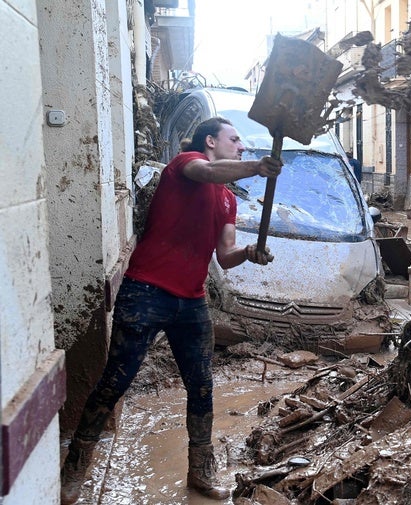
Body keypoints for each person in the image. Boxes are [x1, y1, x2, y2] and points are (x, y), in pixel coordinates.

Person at [59, 117, 283, 504]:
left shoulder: (228, 199)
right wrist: (256, 168)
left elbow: (225, 256)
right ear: (210, 141)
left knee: (201, 387)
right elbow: (209, 171)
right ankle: (75, 468)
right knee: (115, 381)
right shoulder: (185, 165)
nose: (242, 147)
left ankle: (200, 471)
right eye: (235, 140)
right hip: (146, 292)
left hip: (192, 302)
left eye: (244, 145)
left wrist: (249, 253)